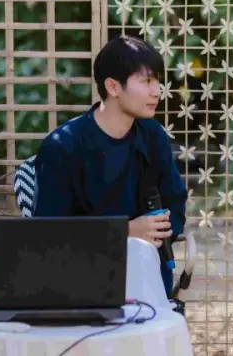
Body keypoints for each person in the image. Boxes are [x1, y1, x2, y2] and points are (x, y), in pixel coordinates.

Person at [34, 35, 188, 295]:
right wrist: (125, 231)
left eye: (157, 81)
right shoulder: (62, 146)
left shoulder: (152, 136)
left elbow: (175, 203)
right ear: (113, 87)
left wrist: (158, 229)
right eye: (147, 81)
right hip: (80, 283)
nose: (157, 91)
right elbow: (48, 234)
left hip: (146, 277)